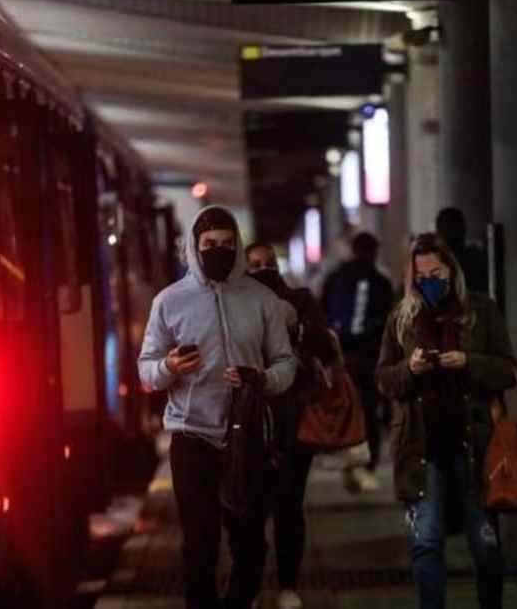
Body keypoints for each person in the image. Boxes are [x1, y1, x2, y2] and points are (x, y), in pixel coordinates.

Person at [138, 206, 297, 609]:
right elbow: (146, 370)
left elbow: (285, 362)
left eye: (227, 244)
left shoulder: (262, 300)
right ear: (195, 247)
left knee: (249, 546)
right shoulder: (169, 302)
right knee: (199, 545)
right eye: (210, 245)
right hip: (192, 436)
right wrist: (169, 366)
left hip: (246, 437)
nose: (219, 251)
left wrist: (261, 379)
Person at [376, 233, 516, 609]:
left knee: (485, 543)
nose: (429, 282)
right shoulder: (401, 317)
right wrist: (411, 368)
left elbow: (507, 370)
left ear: (451, 270)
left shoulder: (481, 311)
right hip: (421, 447)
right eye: (421, 276)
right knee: (425, 542)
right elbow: (384, 379)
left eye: (435, 273)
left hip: (475, 444)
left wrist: (469, 362)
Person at [245, 241, 339, 609]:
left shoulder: (299, 300)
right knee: (249, 508)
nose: (262, 270)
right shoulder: (237, 304)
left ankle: (287, 584)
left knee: (288, 503)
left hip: (294, 418)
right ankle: (248, 585)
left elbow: (326, 348)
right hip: (250, 421)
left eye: (268, 264)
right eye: (253, 265)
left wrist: (297, 325)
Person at [322, 231, 394, 491]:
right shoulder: (381, 282)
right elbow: (389, 323)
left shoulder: (336, 278)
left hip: (342, 359)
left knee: (344, 411)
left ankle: (349, 462)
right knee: (368, 412)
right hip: (371, 358)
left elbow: (323, 316)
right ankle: (367, 462)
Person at [435, 207, 488, 295]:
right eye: (447, 228)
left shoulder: (475, 258)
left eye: (453, 228)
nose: (451, 233)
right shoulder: (476, 257)